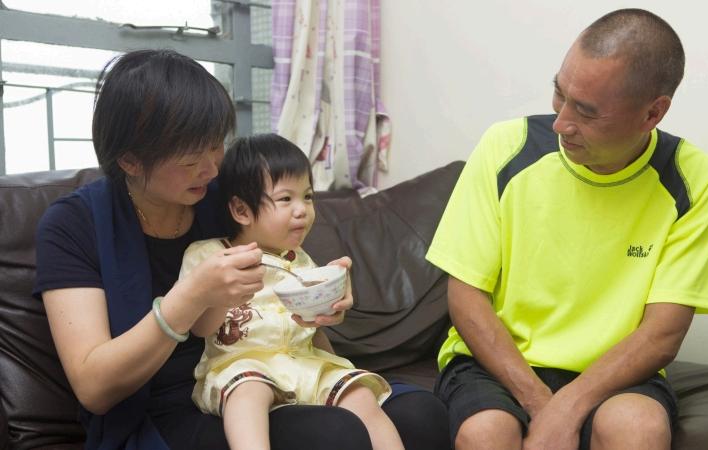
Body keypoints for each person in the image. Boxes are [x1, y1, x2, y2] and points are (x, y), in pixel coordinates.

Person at [34, 49, 448, 449]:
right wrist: (192, 297)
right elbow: (94, 388)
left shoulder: (225, 197)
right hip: (169, 407)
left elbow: (283, 281)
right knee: (333, 434)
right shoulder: (74, 225)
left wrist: (321, 302)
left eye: (216, 144)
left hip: (277, 371)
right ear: (130, 160)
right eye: (191, 157)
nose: (211, 167)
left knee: (420, 414)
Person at [426, 8, 708, 450]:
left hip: (617, 372)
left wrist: (566, 408)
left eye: (586, 111)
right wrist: (539, 403)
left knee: (637, 428)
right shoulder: (507, 147)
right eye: (559, 93)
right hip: (497, 364)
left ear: (652, 113)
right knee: (487, 431)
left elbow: (662, 333)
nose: (562, 123)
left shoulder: (693, 179)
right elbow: (466, 295)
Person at [181, 134, 404, 450]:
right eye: (286, 199)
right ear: (242, 210)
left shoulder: (302, 261)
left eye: (308, 196)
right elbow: (200, 328)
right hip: (243, 366)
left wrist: (330, 300)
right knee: (248, 392)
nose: (302, 210)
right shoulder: (209, 256)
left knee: (361, 394)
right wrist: (224, 295)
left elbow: (311, 328)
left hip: (304, 364)